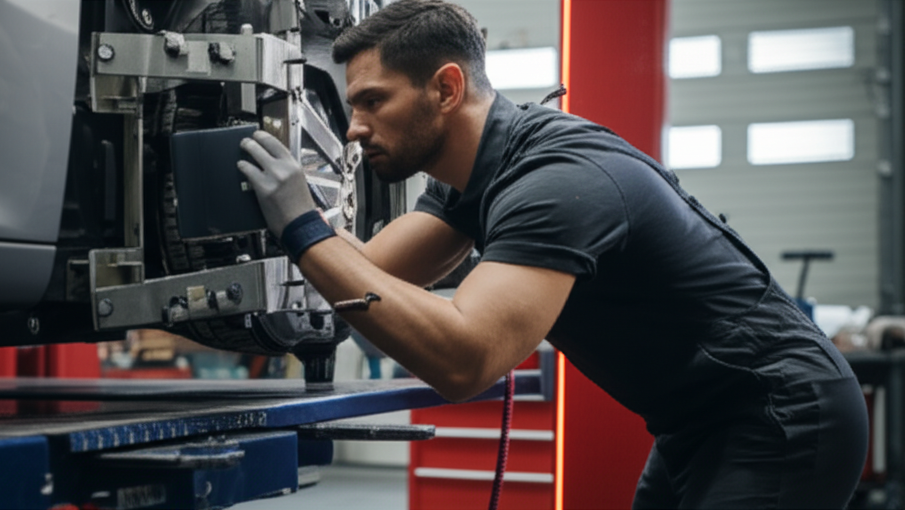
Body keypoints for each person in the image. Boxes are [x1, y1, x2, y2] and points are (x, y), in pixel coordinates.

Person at [236, 0, 869, 507]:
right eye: (353, 106)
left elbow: (465, 359)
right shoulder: (471, 175)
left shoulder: (555, 179)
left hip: (778, 410)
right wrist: (291, 218)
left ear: (447, 89)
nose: (353, 127)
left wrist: (302, 227)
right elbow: (368, 276)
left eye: (373, 101)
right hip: (693, 424)